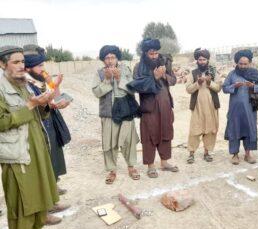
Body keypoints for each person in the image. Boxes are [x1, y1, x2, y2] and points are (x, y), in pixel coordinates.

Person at [0, 46, 59, 229]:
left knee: (39, 190)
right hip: (16, 151)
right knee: (21, 199)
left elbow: (36, 113)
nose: (21, 66)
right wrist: (32, 104)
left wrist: (43, 104)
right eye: (15, 62)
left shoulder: (22, 83)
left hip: (34, 145)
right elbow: (2, 122)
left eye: (22, 61)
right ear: (2, 64)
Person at [23, 44, 71, 226]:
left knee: (53, 157)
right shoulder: (23, 82)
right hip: (36, 126)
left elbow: (51, 93)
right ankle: (45, 208)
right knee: (41, 167)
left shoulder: (39, 77)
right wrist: (50, 102)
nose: (43, 69)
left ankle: (51, 199)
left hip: (48, 120)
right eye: (40, 65)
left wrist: (56, 88)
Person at [128, 38, 178, 178]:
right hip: (149, 107)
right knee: (149, 135)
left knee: (166, 132)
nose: (154, 56)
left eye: (156, 53)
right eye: (151, 54)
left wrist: (164, 76)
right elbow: (136, 86)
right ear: (144, 53)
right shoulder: (138, 67)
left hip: (165, 105)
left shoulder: (165, 63)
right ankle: (150, 166)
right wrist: (154, 78)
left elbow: (173, 80)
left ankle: (164, 162)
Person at [92, 45, 140, 184]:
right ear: (103, 60)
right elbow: (96, 92)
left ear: (117, 58)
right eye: (107, 58)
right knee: (109, 143)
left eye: (112, 57)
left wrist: (119, 79)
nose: (110, 60)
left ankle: (131, 168)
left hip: (125, 112)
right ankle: (112, 170)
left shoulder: (125, 70)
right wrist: (107, 80)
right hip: (108, 114)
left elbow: (133, 89)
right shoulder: (100, 73)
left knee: (128, 141)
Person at [222, 49, 258, 165]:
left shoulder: (255, 73)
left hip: (250, 109)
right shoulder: (232, 74)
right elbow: (225, 88)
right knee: (234, 129)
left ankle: (247, 154)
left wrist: (253, 86)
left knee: (249, 129)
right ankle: (235, 154)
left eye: (245, 64)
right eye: (240, 63)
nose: (243, 66)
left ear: (249, 63)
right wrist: (234, 86)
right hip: (235, 110)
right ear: (237, 63)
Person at [185, 48, 221, 164]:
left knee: (210, 130)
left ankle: (207, 152)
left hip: (211, 106)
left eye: (204, 59)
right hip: (197, 106)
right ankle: (191, 153)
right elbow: (188, 89)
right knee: (195, 129)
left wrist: (210, 83)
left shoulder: (214, 72)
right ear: (197, 60)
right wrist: (198, 83)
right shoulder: (193, 73)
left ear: (207, 60)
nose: (201, 61)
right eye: (199, 59)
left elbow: (219, 88)